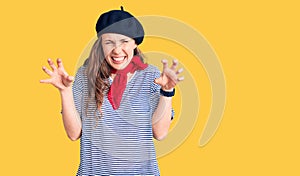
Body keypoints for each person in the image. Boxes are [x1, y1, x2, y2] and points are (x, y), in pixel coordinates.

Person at [40, 6, 184, 176]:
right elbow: (73, 134)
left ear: (135, 43)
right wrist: (65, 92)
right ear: (101, 44)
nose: (117, 50)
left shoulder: (151, 76)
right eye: (109, 42)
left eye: (124, 41)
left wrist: (166, 92)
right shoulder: (85, 76)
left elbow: (159, 133)